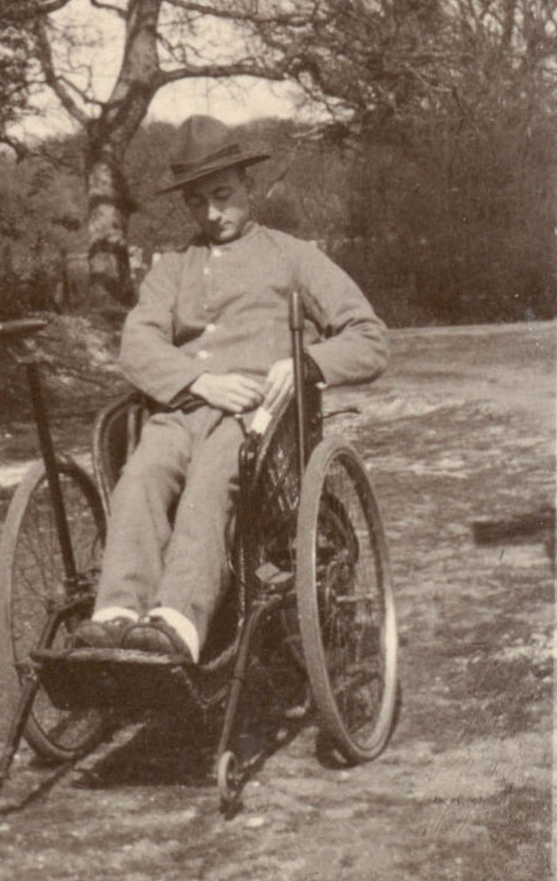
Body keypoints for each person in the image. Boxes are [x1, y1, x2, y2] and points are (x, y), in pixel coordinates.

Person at [74, 115, 388, 663]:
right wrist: (199, 381)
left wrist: (308, 363)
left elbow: (370, 338)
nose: (212, 214)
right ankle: (117, 616)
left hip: (259, 421)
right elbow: (138, 346)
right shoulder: (170, 269)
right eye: (197, 203)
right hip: (179, 410)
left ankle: (177, 623)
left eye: (222, 196)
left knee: (213, 482)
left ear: (248, 186)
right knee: (140, 478)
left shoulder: (292, 256)